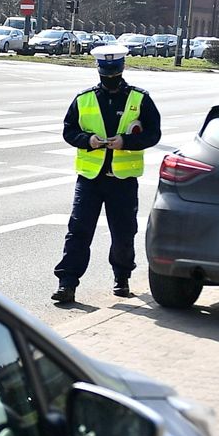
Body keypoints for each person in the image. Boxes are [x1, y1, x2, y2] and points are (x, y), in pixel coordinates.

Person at [51, 46, 162, 304]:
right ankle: (67, 283)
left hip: (122, 179)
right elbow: (69, 131)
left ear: (122, 69)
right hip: (90, 178)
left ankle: (121, 278)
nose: (109, 77)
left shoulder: (139, 99)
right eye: (105, 72)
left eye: (113, 72)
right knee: (78, 231)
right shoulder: (84, 98)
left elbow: (153, 134)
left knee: (123, 232)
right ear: (99, 70)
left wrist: (125, 142)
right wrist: (87, 140)